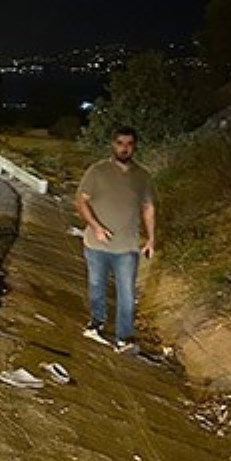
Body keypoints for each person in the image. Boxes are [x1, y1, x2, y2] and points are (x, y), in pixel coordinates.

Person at [74, 125, 156, 353]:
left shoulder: (142, 176)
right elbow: (81, 202)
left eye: (129, 144)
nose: (124, 148)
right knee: (97, 287)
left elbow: (148, 207)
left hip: (127, 246)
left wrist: (151, 239)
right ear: (113, 145)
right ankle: (96, 323)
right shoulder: (97, 171)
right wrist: (96, 227)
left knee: (127, 293)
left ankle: (124, 337)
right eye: (120, 143)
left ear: (135, 147)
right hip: (96, 245)